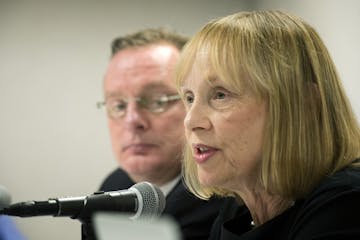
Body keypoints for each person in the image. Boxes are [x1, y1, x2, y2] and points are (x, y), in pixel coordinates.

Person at [175, 10, 360, 240]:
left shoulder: (346, 207)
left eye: (220, 95)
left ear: (304, 105)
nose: (191, 121)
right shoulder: (237, 213)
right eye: (189, 98)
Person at [96, 28, 226, 240]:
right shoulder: (114, 186)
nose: (132, 121)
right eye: (118, 105)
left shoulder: (226, 196)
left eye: (157, 101)